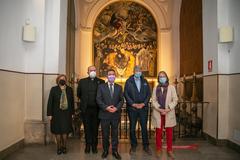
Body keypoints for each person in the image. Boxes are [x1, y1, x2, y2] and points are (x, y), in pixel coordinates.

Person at [124, 66, 152, 155]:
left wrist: (144, 103)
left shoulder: (145, 81)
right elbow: (126, 94)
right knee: (132, 128)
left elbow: (148, 94)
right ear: (133, 71)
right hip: (132, 108)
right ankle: (133, 145)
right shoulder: (129, 82)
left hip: (143, 108)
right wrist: (133, 104)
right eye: (136, 71)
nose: (138, 72)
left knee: (144, 128)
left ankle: (146, 146)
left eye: (140, 70)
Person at [96, 69, 124, 160]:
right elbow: (98, 99)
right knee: (105, 134)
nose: (111, 76)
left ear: (115, 76)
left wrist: (116, 108)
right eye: (109, 74)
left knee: (115, 134)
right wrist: (106, 107)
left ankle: (115, 151)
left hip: (115, 114)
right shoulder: (101, 87)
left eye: (113, 74)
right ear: (107, 76)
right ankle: (105, 150)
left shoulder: (119, 87)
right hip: (104, 114)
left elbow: (121, 100)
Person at [77, 66, 104, 154]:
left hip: (97, 109)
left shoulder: (101, 82)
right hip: (86, 109)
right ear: (87, 72)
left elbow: (103, 95)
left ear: (96, 71)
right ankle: (88, 146)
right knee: (87, 128)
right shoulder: (82, 82)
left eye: (94, 70)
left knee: (95, 128)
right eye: (91, 70)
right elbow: (79, 94)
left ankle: (94, 146)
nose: (93, 71)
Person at [151, 71, 178, 158]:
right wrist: (159, 108)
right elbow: (153, 100)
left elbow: (175, 100)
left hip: (168, 113)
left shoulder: (171, 88)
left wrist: (168, 109)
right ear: (158, 79)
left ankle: (169, 150)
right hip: (158, 113)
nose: (162, 78)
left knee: (169, 133)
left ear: (166, 77)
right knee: (158, 132)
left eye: (163, 76)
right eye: (160, 77)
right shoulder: (156, 88)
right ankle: (158, 149)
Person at [47, 74, 74, 155]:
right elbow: (50, 102)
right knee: (57, 131)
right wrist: (49, 114)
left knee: (65, 131)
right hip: (56, 113)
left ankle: (64, 147)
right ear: (58, 80)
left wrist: (72, 113)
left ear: (66, 80)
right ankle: (59, 147)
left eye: (64, 79)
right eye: (60, 79)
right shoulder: (54, 89)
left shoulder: (69, 89)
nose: (62, 80)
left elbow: (72, 102)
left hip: (67, 113)